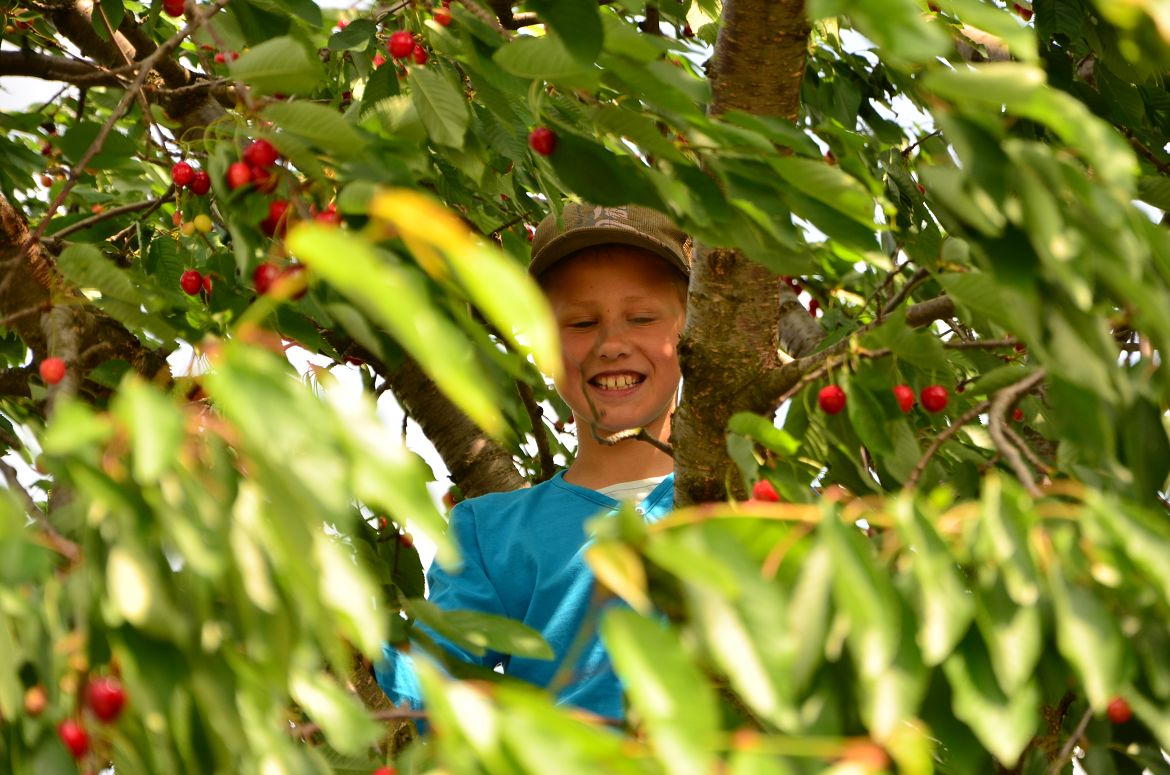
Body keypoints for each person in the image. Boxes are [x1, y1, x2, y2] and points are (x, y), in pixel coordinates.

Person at [375, 202, 691, 722]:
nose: (612, 344)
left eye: (642, 318)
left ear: (689, 331)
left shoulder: (758, 508)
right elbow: (428, 689)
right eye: (582, 322)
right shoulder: (489, 534)